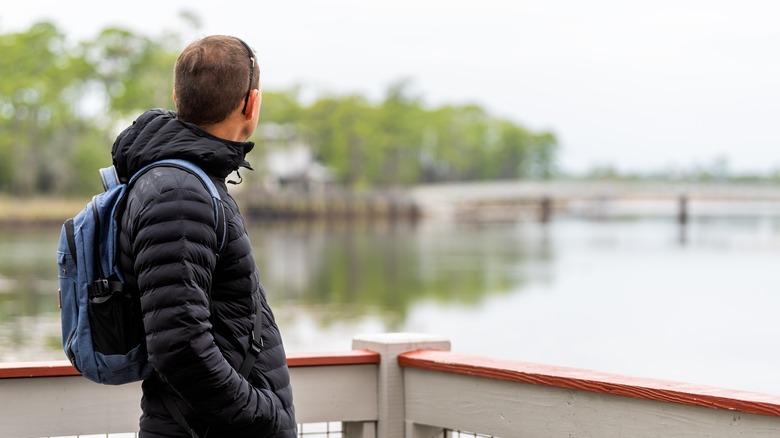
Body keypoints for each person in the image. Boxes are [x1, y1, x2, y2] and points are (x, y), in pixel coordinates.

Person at [111, 35, 296, 437]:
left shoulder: (189, 181)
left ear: (177, 96)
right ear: (252, 103)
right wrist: (264, 418)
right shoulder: (179, 194)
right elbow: (179, 346)